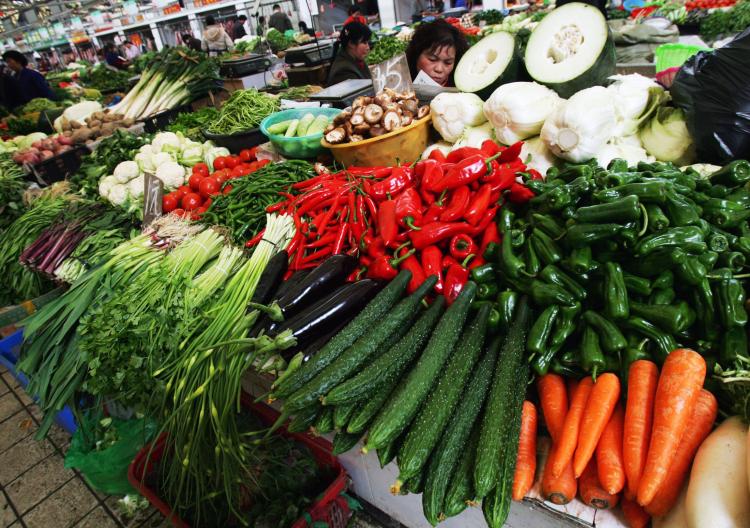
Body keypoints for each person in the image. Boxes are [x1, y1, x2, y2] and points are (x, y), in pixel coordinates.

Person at [405, 19, 468, 87]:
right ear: (416, 55)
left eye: (448, 62)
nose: (439, 69)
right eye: (432, 59)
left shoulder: (461, 88)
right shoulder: (400, 84)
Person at [326, 21, 371, 86]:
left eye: (368, 42)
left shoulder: (356, 59)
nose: (368, 48)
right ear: (351, 44)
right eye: (364, 42)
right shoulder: (344, 72)